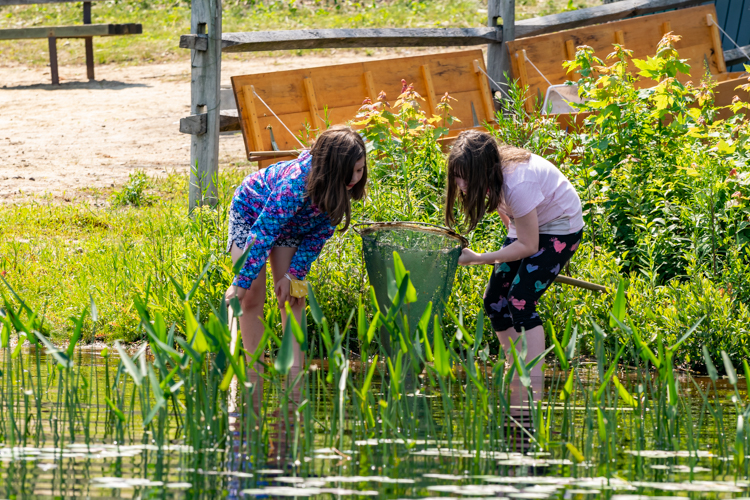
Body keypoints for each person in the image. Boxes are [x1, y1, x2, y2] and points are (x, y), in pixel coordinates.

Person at [445, 129, 583, 406]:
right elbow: (508, 215)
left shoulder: (518, 182)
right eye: (456, 175)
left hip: (560, 227)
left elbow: (530, 246)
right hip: (530, 224)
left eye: (465, 176)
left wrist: (479, 257)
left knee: (520, 300)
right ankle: (514, 364)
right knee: (494, 300)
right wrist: (512, 249)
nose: (460, 183)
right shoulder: (493, 177)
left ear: (483, 169)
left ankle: (532, 375)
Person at [225, 126, 367, 375]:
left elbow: (317, 237)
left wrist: (292, 275)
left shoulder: (340, 189)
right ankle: (253, 371)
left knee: (294, 297)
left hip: (292, 227)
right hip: (252, 215)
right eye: (351, 171)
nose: (356, 177)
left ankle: (295, 373)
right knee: (251, 295)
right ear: (333, 169)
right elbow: (264, 233)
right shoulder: (295, 184)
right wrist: (242, 281)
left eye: (360, 169)